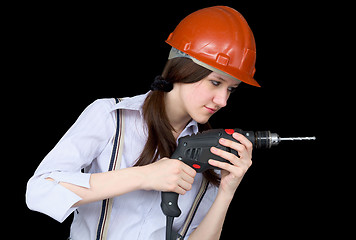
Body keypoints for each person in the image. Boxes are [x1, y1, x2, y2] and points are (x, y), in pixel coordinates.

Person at [26, 6, 260, 240]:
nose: (223, 101)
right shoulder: (111, 117)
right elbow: (40, 191)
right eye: (215, 83)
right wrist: (144, 176)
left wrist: (227, 191)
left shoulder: (211, 152)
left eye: (231, 89)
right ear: (183, 69)